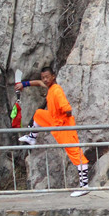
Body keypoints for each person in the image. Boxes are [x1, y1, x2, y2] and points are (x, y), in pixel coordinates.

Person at [15, 66, 90, 197]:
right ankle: (32, 137)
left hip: (63, 126)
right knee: (38, 114)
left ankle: (85, 186)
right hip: (54, 120)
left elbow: (68, 109)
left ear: (53, 76)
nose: (44, 80)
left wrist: (63, 119)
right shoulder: (50, 87)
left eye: (46, 77)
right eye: (43, 77)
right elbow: (38, 83)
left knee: (75, 154)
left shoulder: (57, 91)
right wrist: (24, 84)